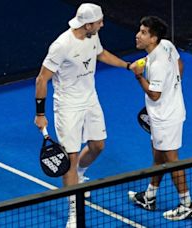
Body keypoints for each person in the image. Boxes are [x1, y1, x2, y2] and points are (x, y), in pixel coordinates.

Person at [33, 3, 132, 227]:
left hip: (90, 100)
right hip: (68, 106)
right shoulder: (61, 45)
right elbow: (41, 79)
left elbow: (102, 54)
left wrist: (127, 66)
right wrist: (40, 114)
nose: (103, 24)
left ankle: (79, 175)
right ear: (88, 24)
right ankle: (73, 212)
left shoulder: (92, 37)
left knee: (98, 145)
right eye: (99, 22)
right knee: (71, 156)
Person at [128, 16, 192, 221]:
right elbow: (180, 65)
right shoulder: (167, 45)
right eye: (139, 30)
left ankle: (187, 204)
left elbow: (154, 94)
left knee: (171, 161)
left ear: (153, 38)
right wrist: (173, 88)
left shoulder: (157, 64)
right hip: (168, 111)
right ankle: (149, 196)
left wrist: (138, 76)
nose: (138, 35)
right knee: (158, 155)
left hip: (165, 118)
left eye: (143, 33)